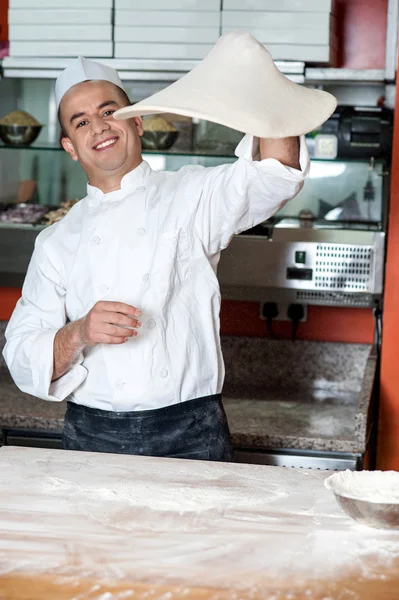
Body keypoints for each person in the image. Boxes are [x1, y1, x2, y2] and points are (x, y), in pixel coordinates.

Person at [3, 44, 311, 461]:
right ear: (70, 147)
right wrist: (80, 332)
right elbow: (21, 357)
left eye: (109, 110)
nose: (99, 126)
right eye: (81, 121)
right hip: (93, 438)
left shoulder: (192, 194)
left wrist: (265, 86)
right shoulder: (56, 241)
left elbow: (275, 174)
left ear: (138, 122)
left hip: (190, 430)